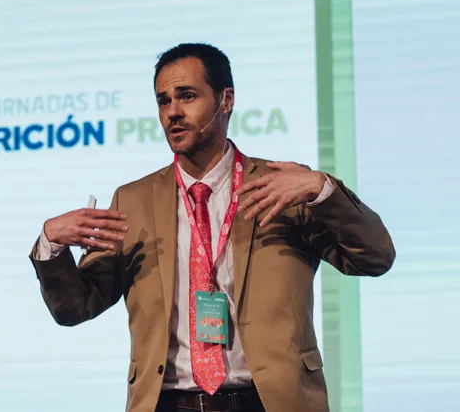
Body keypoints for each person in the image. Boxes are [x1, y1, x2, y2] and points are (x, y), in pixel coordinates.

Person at [30, 43, 394, 412]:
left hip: (271, 402)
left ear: (226, 100)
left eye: (187, 96)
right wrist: (51, 244)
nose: (173, 112)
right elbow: (75, 307)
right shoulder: (133, 201)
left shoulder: (282, 186)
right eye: (163, 101)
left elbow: (375, 258)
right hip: (170, 403)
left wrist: (322, 190)